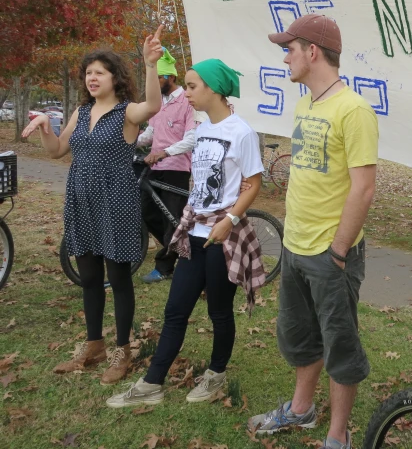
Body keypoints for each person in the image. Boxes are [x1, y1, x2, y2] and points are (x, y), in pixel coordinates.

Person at [248, 15, 379, 449]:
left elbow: (363, 188)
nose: (285, 57)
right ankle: (301, 410)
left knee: (339, 344)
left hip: (330, 254)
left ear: (313, 52)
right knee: (300, 336)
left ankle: (337, 437)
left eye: (289, 48)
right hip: (294, 245)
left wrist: (339, 250)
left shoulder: (354, 109)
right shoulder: (305, 104)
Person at [106, 58, 266, 408]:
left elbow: (253, 184)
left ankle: (216, 374)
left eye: (193, 86)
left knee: (219, 312)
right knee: (176, 309)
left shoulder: (242, 132)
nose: (187, 92)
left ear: (214, 89)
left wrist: (231, 221)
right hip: (194, 232)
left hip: (222, 236)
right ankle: (151, 384)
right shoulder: (203, 127)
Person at [22, 27, 165, 384]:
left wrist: (151, 64)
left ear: (114, 77)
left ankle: (122, 351)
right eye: (88, 73)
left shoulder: (127, 112)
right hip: (81, 199)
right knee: (88, 278)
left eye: (99, 72)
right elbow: (57, 150)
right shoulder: (81, 112)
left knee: (118, 278)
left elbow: (154, 105)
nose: (91, 78)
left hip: (115, 201)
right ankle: (94, 344)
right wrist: (44, 126)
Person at [136, 47, 197, 283]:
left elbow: (192, 138)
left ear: (171, 77)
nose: (156, 81)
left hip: (176, 169)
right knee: (146, 212)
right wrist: (130, 140)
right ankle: (180, 247)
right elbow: (151, 132)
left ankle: (165, 267)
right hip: (155, 168)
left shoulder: (187, 101)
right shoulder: (157, 103)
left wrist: (165, 152)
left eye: (159, 77)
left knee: (172, 216)